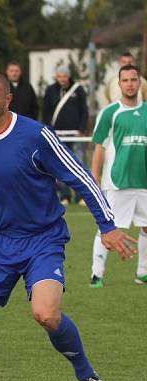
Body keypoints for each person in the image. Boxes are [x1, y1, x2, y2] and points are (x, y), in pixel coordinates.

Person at [0, 70, 135, 381]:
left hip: (43, 240)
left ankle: (88, 377)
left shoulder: (36, 136)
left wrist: (108, 225)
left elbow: (80, 176)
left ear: (7, 99)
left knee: (45, 314)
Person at [89, 64, 147, 288]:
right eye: (126, 80)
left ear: (139, 83)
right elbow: (99, 147)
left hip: (144, 181)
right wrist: (94, 175)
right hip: (117, 182)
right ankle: (97, 274)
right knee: (107, 227)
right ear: (119, 84)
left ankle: (142, 272)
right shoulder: (110, 113)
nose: (130, 84)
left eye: (134, 80)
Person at [41, 66, 89, 206]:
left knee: (79, 165)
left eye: (64, 76)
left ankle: (81, 196)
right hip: (57, 136)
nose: (62, 79)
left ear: (69, 76)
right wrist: (48, 130)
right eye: (59, 76)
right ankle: (65, 195)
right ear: (56, 77)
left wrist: (81, 129)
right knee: (60, 167)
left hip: (75, 135)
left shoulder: (78, 89)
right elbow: (46, 111)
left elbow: (84, 111)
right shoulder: (50, 90)